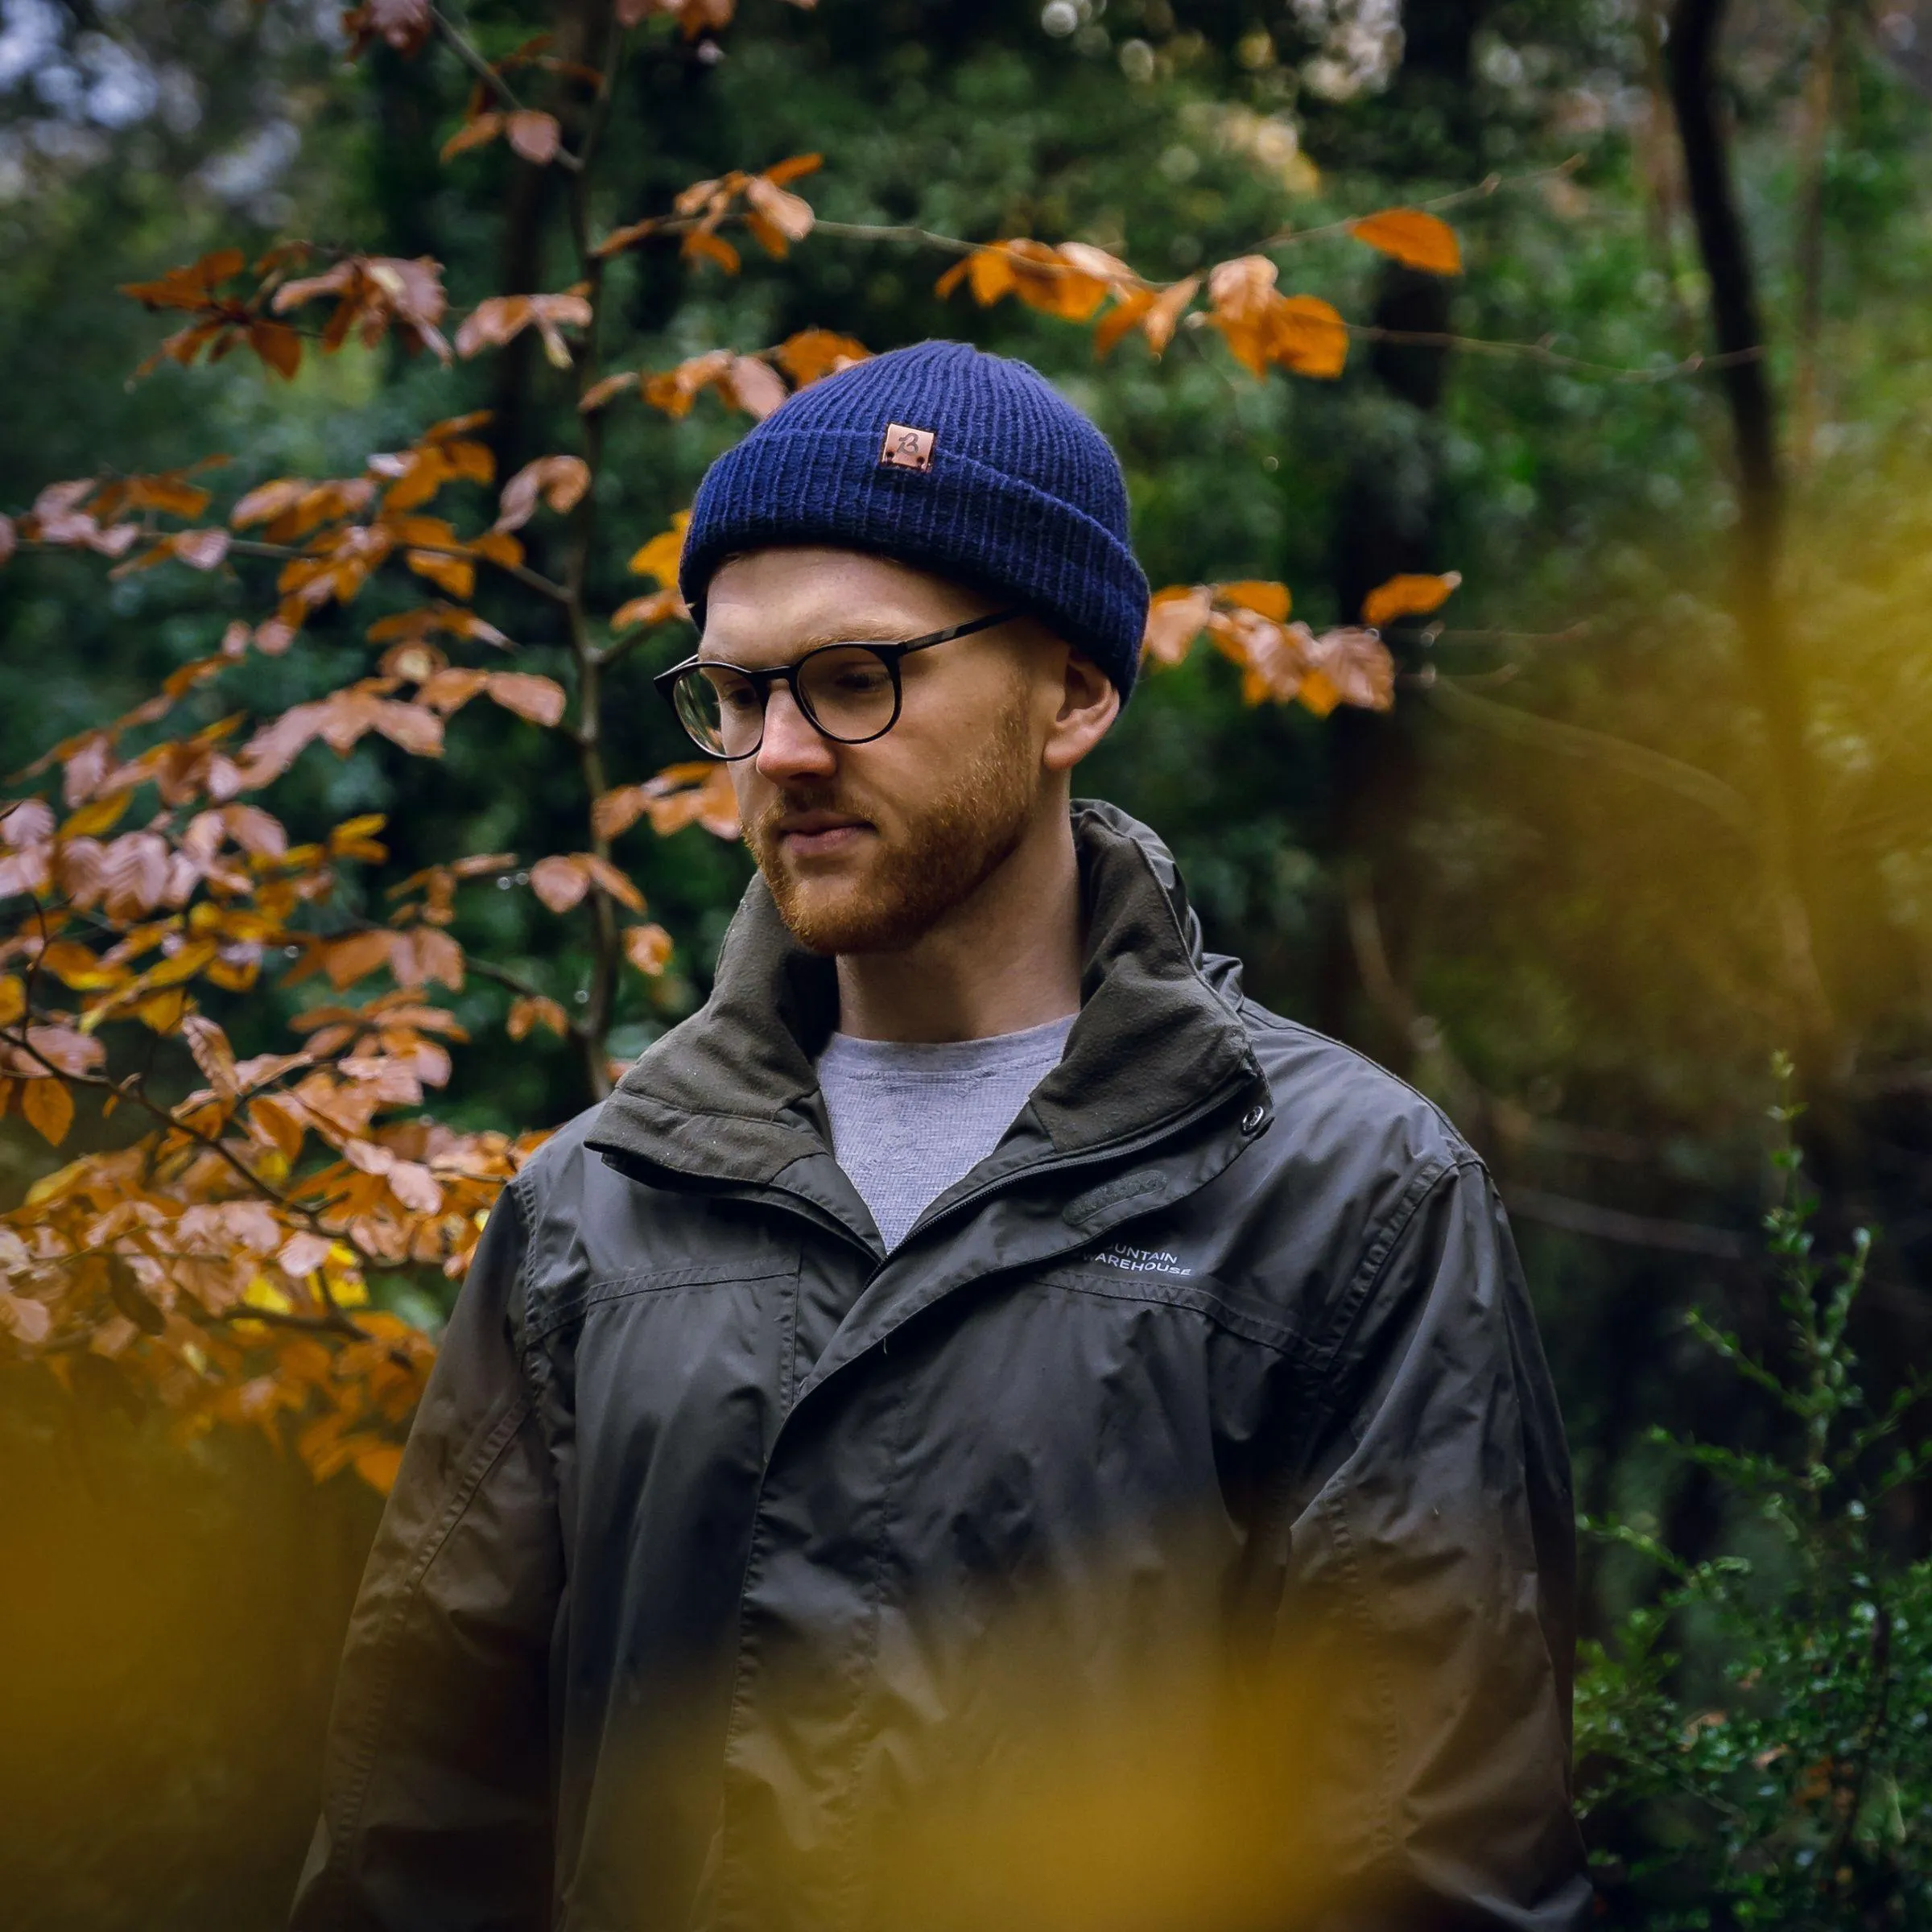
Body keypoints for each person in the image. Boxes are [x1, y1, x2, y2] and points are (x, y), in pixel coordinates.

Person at [291, 341, 1590, 1931]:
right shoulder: (593, 1213)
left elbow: (1425, 1852)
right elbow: (419, 1839)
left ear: (1074, 692)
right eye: (741, 690)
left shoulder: (1342, 1198)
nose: (780, 753)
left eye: (856, 677)